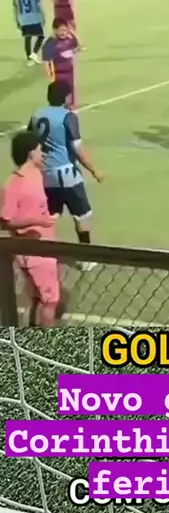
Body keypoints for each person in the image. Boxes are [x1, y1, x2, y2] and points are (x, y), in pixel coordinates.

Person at [28, 80, 105, 268]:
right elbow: (77, 149)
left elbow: (31, 144)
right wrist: (95, 170)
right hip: (67, 174)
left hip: (46, 173)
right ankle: (86, 258)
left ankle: (37, 249)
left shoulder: (36, 115)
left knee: (52, 213)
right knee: (82, 215)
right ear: (66, 97)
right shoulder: (68, 117)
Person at [0, 131, 60, 326]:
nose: (43, 153)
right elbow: (7, 221)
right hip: (33, 252)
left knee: (38, 296)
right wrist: (38, 221)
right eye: (40, 149)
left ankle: (33, 330)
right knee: (50, 301)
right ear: (30, 152)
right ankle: (48, 340)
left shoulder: (36, 174)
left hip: (44, 247)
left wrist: (46, 218)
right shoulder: (13, 184)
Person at [42, 17, 79, 109]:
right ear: (55, 30)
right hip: (58, 75)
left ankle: (68, 108)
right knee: (59, 100)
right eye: (61, 30)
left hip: (69, 74)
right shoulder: (50, 44)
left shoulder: (68, 40)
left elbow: (79, 45)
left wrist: (71, 31)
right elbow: (47, 62)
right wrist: (51, 78)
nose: (63, 33)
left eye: (65, 30)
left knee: (68, 98)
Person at [13, 0, 45, 65]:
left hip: (24, 20)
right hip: (34, 18)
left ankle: (29, 59)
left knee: (27, 38)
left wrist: (17, 21)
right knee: (41, 36)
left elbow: (15, 9)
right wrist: (43, 16)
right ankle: (34, 54)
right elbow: (39, 5)